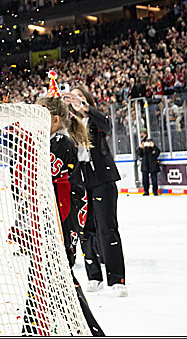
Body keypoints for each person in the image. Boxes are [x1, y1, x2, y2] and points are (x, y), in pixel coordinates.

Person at [44, 88, 104, 336]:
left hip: (62, 223)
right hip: (59, 222)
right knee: (48, 278)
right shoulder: (54, 142)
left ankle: (91, 330)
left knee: (62, 277)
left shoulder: (61, 144)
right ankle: (30, 328)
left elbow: (61, 187)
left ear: (55, 120)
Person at [64, 83, 128, 298]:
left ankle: (117, 278)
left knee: (107, 228)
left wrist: (85, 108)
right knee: (85, 230)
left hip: (102, 178)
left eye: (80, 96)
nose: (75, 100)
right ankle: (94, 276)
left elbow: (108, 125)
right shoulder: (69, 125)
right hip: (80, 182)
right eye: (72, 97)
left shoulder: (95, 120)